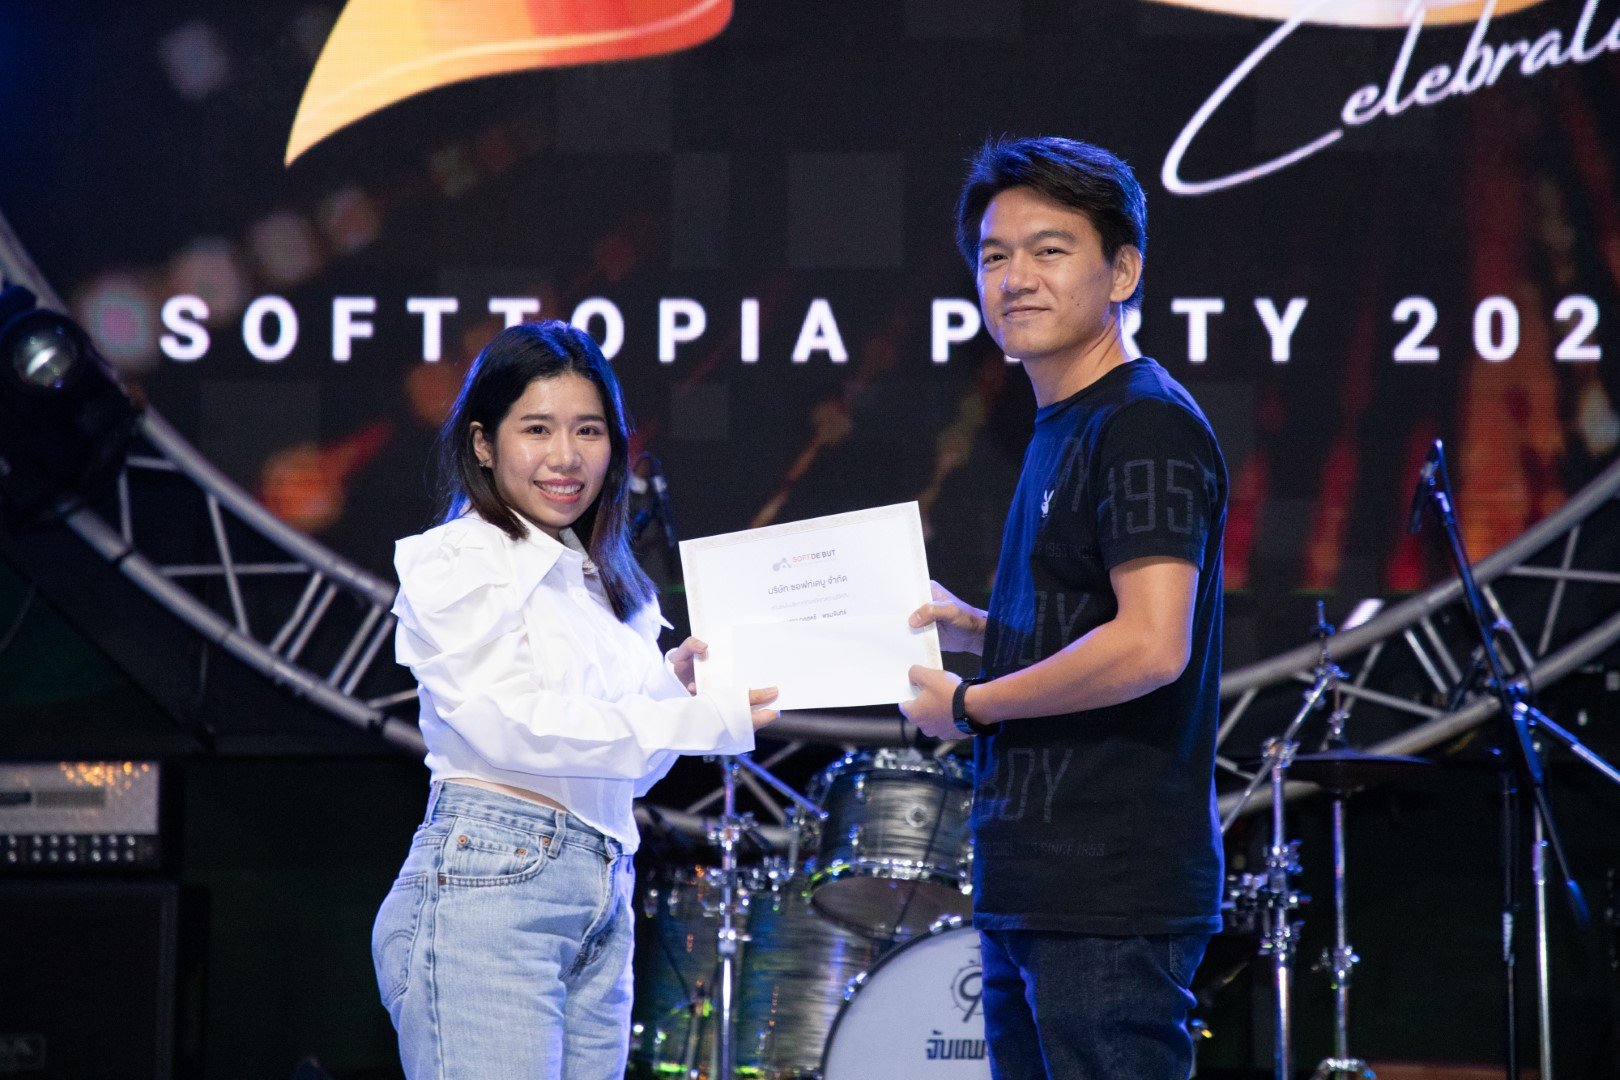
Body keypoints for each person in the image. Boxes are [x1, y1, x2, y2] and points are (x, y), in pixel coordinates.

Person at [371, 320, 777, 1079]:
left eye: (588, 430)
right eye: (538, 429)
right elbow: (510, 725)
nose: (566, 456)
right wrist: (691, 718)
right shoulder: (459, 559)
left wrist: (673, 688)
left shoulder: (603, 581)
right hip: (490, 889)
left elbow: (628, 771)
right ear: (483, 442)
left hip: (603, 890)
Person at [901, 136, 1227, 1080]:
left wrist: (971, 705)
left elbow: (1151, 645)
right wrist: (985, 630)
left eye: (1050, 251)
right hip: (1038, 884)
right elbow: (1098, 614)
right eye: (995, 256)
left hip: (1107, 890)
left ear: (1122, 271)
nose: (1015, 278)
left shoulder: (1142, 421)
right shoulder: (1065, 420)